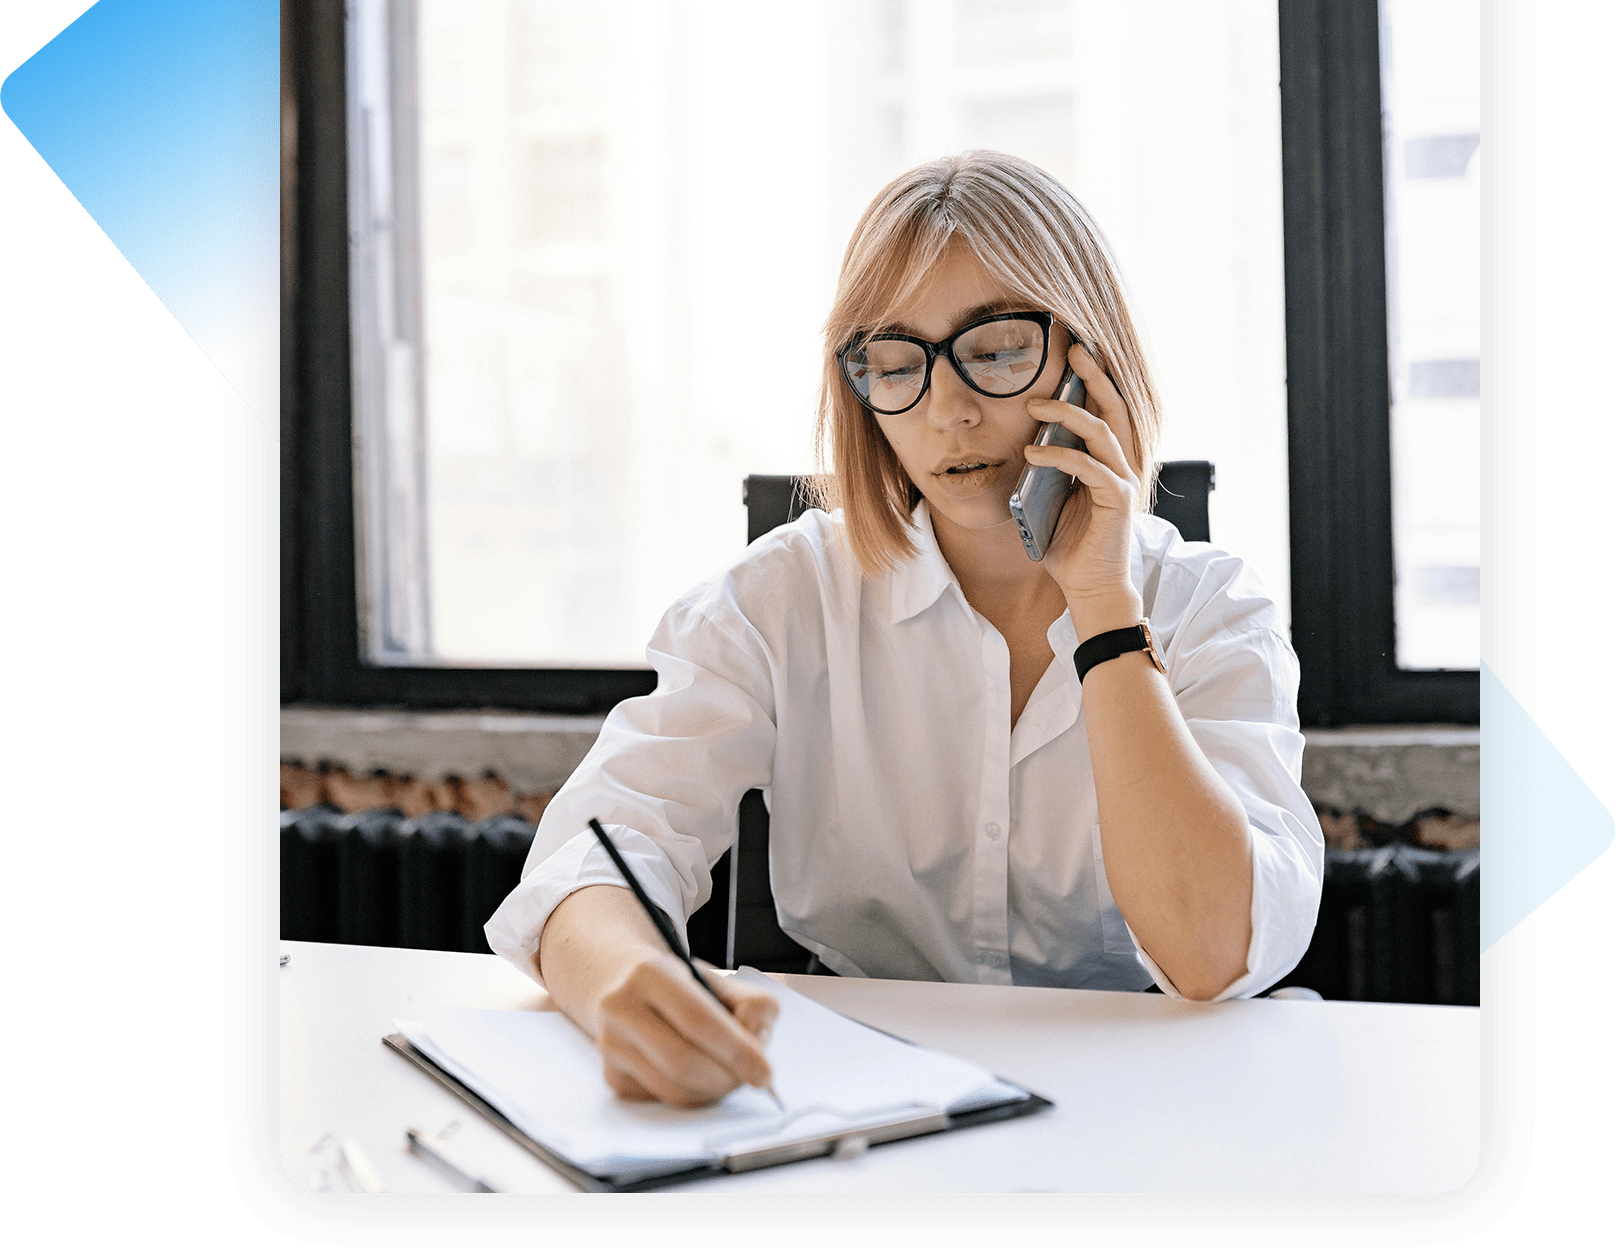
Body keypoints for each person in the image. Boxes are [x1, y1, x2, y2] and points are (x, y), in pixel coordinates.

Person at [486, 151, 1324, 1109]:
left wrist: (1102, 610)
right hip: (851, 1097)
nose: (948, 410)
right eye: (896, 364)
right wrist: (626, 985)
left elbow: (1215, 953)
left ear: (1093, 368)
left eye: (998, 349)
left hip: (1143, 1099)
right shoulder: (780, 598)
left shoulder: (1212, 610)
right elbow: (597, 852)